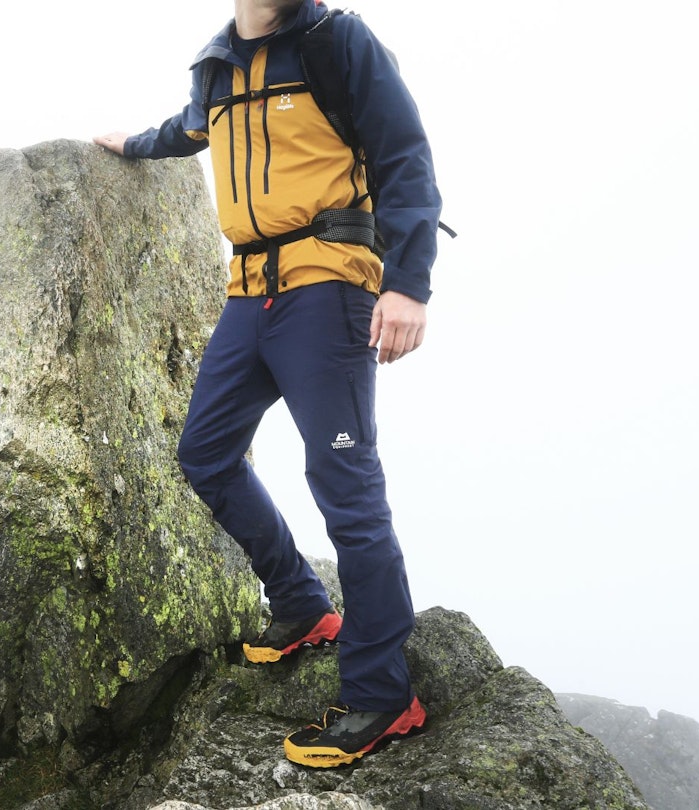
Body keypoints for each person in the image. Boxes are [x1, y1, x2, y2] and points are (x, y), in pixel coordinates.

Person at [94, 0, 444, 768]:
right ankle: (300, 604)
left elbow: (404, 156)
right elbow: (191, 128)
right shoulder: (216, 64)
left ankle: (383, 695)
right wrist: (133, 144)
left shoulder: (335, 42)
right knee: (206, 454)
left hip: (328, 286)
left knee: (345, 485)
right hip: (250, 295)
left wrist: (409, 284)